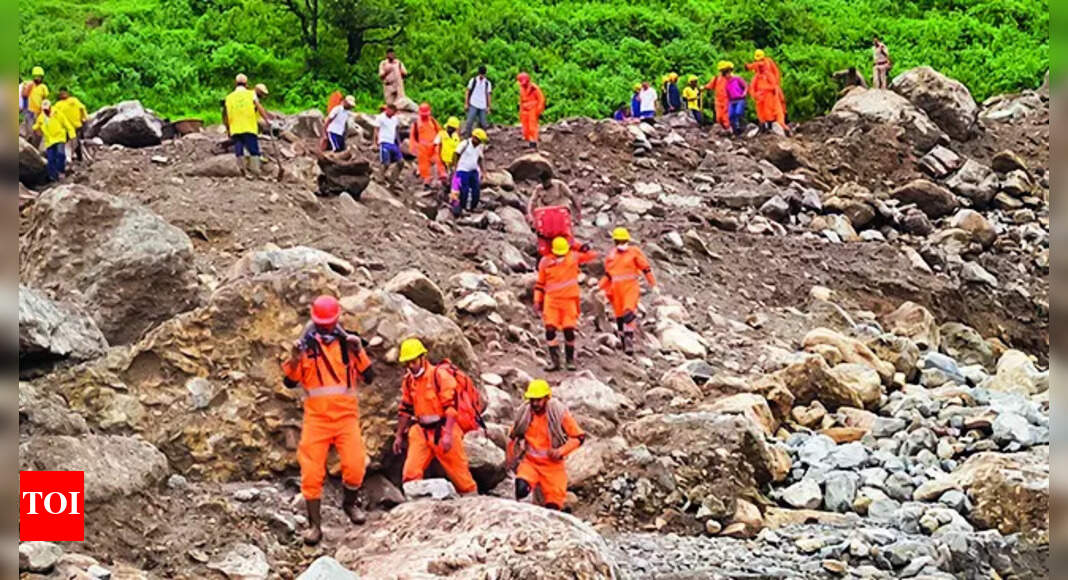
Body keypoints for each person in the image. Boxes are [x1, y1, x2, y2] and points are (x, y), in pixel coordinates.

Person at [281, 295, 374, 545]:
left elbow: (369, 376)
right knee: (311, 473)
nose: (325, 328)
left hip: (346, 418)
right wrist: (294, 358)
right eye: (322, 324)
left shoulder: (348, 344)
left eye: (329, 324)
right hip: (317, 420)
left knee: (355, 465)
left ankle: (350, 504)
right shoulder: (305, 348)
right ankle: (315, 526)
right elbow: (289, 382)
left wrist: (359, 350)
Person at [393, 338, 478, 496]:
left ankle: (474, 501)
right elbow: (405, 409)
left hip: (444, 429)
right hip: (422, 432)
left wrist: (448, 435)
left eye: (413, 362)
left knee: (462, 479)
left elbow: (451, 408)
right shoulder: (409, 381)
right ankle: (416, 503)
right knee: (410, 474)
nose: (410, 366)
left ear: (422, 358)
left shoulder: (439, 376)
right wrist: (398, 435)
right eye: (407, 363)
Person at [506, 379, 585, 511]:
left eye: (538, 400)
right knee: (521, 489)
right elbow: (513, 435)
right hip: (530, 464)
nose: (535, 403)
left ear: (547, 398)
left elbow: (579, 437)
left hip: (553, 467)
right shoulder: (525, 414)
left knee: (553, 507)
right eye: (532, 400)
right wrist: (510, 461)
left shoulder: (558, 414)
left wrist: (561, 451)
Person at [534, 237, 597, 371]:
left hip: (569, 301)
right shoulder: (545, 262)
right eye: (558, 254)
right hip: (552, 301)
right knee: (550, 330)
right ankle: (555, 362)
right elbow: (540, 284)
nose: (560, 257)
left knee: (569, 330)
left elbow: (592, 255)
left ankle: (570, 360)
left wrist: (579, 246)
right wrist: (537, 300)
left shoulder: (573, 257)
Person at [598, 228, 656, 355]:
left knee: (628, 311)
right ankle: (623, 340)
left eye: (623, 241)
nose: (621, 243)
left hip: (630, 287)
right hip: (616, 290)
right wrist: (599, 287)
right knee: (619, 317)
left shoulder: (634, 252)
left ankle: (629, 338)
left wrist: (653, 283)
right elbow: (608, 275)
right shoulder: (611, 256)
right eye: (619, 241)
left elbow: (645, 268)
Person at [224, 73, 272, 177]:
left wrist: (228, 128)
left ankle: (243, 171)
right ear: (246, 84)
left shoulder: (229, 97)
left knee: (239, 149)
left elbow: (226, 115)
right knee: (253, 149)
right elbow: (259, 107)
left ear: (235, 83)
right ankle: (255, 171)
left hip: (235, 127)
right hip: (248, 126)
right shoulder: (251, 94)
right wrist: (267, 120)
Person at [527, 176, 582, 258]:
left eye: (546, 182)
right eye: (543, 182)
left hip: (560, 215)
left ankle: (571, 249)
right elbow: (532, 203)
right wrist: (530, 216)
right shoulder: (539, 189)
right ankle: (545, 253)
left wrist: (578, 211)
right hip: (546, 216)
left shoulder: (559, 185)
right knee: (544, 236)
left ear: (550, 179)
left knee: (565, 234)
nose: (545, 184)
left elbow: (571, 197)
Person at [32, 99, 75, 182]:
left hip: (59, 137)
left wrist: (72, 134)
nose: (46, 111)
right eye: (44, 109)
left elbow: (66, 123)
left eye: (47, 109)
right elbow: (37, 125)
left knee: (60, 154)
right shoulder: (41, 117)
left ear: (50, 107)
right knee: (51, 159)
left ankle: (61, 171)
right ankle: (53, 177)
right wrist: (35, 129)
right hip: (50, 140)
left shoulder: (57, 113)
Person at [746, 50, 789, 133]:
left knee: (778, 106)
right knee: (763, 110)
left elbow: (775, 75)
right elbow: (752, 88)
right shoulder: (757, 76)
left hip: (771, 91)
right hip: (762, 95)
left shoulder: (768, 64)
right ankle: (765, 125)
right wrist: (755, 95)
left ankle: (781, 124)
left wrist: (774, 86)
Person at [411, 103, 447, 189]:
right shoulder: (416, 124)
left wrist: (440, 142)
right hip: (422, 146)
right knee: (424, 164)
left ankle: (442, 175)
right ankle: (427, 180)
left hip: (433, 145)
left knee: (438, 159)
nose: (424, 116)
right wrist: (413, 147)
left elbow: (440, 131)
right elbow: (413, 136)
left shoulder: (433, 121)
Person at [452, 128, 487, 215]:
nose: (479, 142)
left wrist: (483, 172)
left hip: (474, 170)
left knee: (476, 189)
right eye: (478, 140)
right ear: (474, 137)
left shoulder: (479, 146)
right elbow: (456, 154)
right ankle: (462, 207)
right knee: (464, 189)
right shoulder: (465, 144)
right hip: (463, 170)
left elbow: (480, 158)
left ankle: (473, 206)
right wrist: (455, 167)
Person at [51, 88, 88, 163]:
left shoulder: (73, 100)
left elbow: (82, 108)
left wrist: (84, 118)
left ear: (68, 93)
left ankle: (79, 158)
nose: (63, 94)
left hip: (76, 125)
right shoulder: (58, 105)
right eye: (61, 93)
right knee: (66, 142)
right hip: (66, 127)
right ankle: (66, 157)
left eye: (64, 93)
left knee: (76, 142)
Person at [373, 103, 404, 185]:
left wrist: (399, 142)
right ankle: (380, 178)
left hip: (392, 142)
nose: (392, 113)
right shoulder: (380, 117)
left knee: (401, 162)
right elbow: (376, 130)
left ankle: (392, 179)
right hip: (384, 141)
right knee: (385, 163)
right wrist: (375, 143)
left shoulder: (395, 119)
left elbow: (396, 130)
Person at [517, 72, 545, 149]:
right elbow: (521, 100)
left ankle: (533, 141)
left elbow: (541, 99)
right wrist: (521, 111)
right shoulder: (521, 88)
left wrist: (539, 110)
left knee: (532, 126)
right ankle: (529, 140)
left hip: (533, 109)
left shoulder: (534, 88)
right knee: (525, 127)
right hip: (525, 110)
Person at [436, 116, 462, 199]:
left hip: (453, 162)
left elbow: (458, 150)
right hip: (443, 161)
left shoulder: (456, 137)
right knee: (443, 179)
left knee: (454, 179)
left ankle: (452, 196)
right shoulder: (441, 135)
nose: (451, 129)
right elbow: (435, 146)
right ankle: (441, 196)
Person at [463, 65, 492, 136]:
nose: (481, 76)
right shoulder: (473, 80)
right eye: (481, 74)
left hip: (482, 105)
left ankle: (481, 137)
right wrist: (466, 103)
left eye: (483, 74)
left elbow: (488, 95)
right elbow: (467, 91)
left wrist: (489, 107)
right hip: (473, 103)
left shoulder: (487, 83)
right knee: (469, 122)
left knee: (483, 123)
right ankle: (467, 136)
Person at [21, 66, 48, 140]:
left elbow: (45, 99)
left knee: (37, 128)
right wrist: (27, 88)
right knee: (29, 125)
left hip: (38, 111)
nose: (38, 78)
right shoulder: (29, 84)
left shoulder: (43, 87)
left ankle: (34, 140)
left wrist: (44, 110)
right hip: (29, 109)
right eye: (36, 76)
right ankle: (28, 137)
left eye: (39, 77)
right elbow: (24, 95)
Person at [704, 63, 732, 132]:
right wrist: (704, 87)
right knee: (719, 116)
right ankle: (720, 129)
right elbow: (710, 85)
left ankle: (727, 128)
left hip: (727, 99)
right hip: (718, 100)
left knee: (725, 115)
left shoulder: (730, 78)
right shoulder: (717, 78)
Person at [725, 68, 749, 136]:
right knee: (731, 115)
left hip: (740, 99)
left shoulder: (737, 79)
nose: (727, 75)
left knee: (738, 112)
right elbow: (727, 92)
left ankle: (741, 127)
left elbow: (745, 86)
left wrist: (744, 92)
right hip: (731, 100)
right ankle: (735, 130)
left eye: (728, 73)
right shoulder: (726, 83)